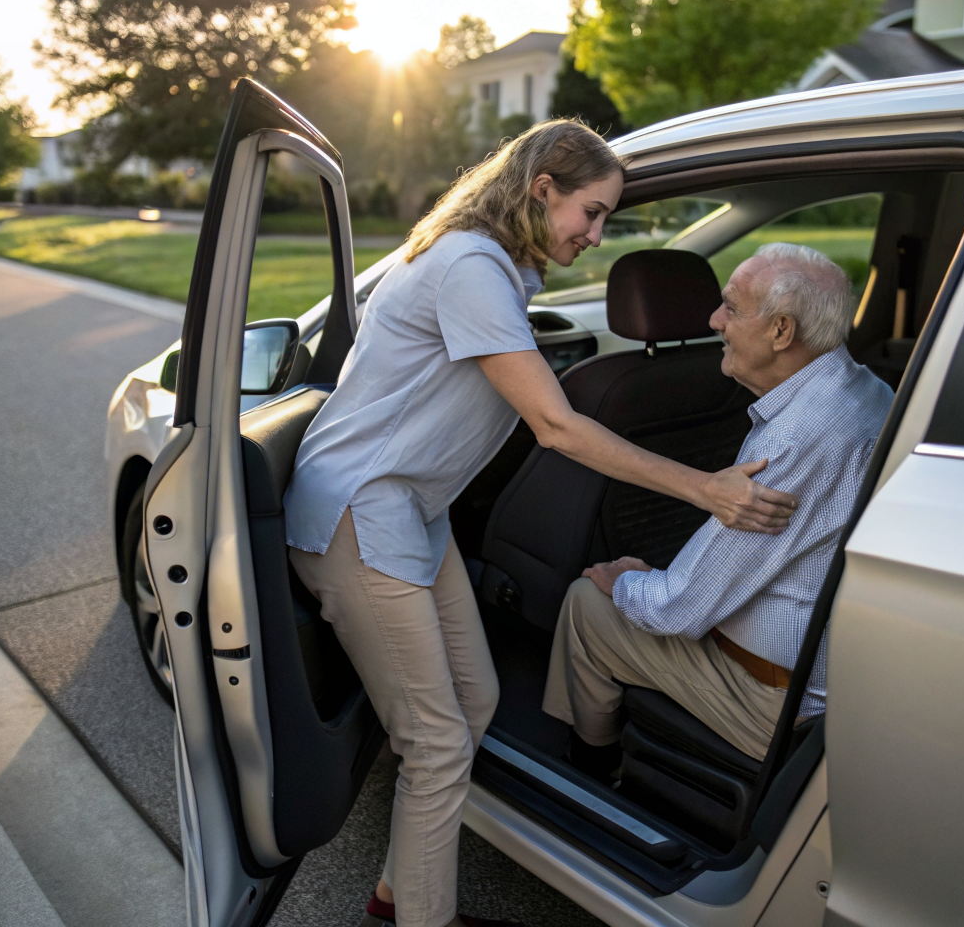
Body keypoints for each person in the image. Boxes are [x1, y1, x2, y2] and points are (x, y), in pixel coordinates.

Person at [282, 120, 796, 927]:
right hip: (359, 510)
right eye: (588, 214)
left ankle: (397, 900)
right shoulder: (469, 266)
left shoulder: (497, 270)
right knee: (438, 742)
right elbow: (554, 426)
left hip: (414, 509)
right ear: (539, 190)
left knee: (474, 702)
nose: (594, 236)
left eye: (604, 221)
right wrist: (706, 489)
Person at [542, 242, 894, 778]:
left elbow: (679, 609)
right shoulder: (866, 390)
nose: (713, 321)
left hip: (778, 701)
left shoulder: (796, 438)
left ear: (780, 331)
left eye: (730, 307)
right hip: (842, 674)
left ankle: (591, 770)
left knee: (586, 603)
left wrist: (626, 582)